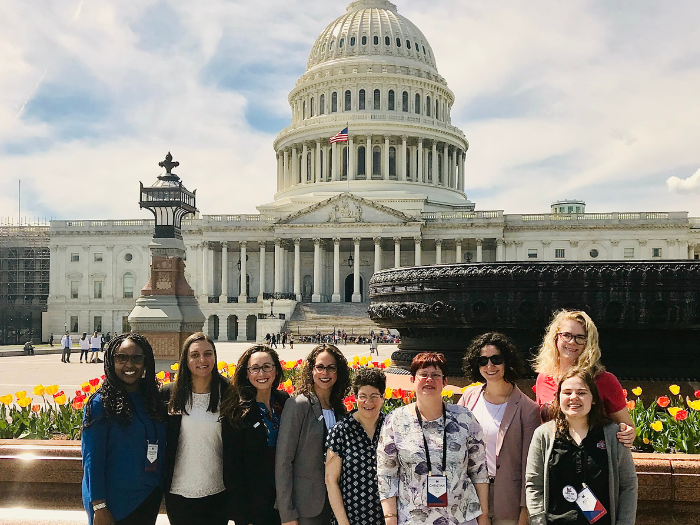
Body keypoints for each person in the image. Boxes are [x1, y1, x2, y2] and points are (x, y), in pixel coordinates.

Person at [377, 352, 490, 525]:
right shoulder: (395, 420)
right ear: (413, 380)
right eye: (423, 374)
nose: (429, 379)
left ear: (445, 382)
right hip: (413, 518)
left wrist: (483, 517)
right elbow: (386, 474)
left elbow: (479, 472)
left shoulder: (464, 418)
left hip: (460, 517)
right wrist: (390, 518)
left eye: (436, 375)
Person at [525, 367, 638, 525]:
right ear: (558, 398)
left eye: (581, 392)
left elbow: (628, 486)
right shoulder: (543, 435)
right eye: (567, 392)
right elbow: (534, 484)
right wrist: (538, 521)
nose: (573, 398)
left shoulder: (613, 435)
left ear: (593, 399)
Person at [81, 333, 167, 525]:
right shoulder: (100, 404)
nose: (130, 365)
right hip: (114, 504)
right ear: (111, 362)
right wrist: (99, 506)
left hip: (148, 496)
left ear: (146, 362)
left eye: (137, 358)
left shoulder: (151, 399)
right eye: (121, 358)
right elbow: (92, 460)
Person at [458, 332, 541, 525]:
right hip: (470, 494)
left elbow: (530, 467)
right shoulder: (470, 397)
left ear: (507, 362)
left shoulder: (527, 409)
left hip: (507, 501)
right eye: (483, 360)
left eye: (496, 359)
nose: (489, 366)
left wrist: (524, 512)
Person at [533, 310, 635, 446]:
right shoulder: (543, 379)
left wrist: (628, 433)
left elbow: (627, 427)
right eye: (566, 335)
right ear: (555, 338)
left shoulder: (605, 381)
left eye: (580, 337)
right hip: (554, 458)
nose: (572, 342)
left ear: (588, 343)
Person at [276, 344, 351, 525]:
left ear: (338, 372)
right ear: (311, 370)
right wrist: (287, 513)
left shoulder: (340, 410)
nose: (325, 373)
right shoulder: (298, 405)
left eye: (331, 368)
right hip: (306, 507)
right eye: (320, 367)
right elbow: (283, 461)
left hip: (336, 504)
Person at [160, 333, 229, 525]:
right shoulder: (169, 394)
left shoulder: (228, 393)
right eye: (195, 354)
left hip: (218, 490)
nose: (202, 360)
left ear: (215, 357)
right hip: (178, 490)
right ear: (186, 359)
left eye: (208, 354)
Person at [221, 345, 289, 525]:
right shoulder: (236, 411)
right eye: (255, 368)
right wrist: (242, 516)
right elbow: (232, 468)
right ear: (246, 373)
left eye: (267, 367)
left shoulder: (284, 401)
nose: (261, 373)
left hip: (284, 497)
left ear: (276, 369)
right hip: (254, 502)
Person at [325, 367, 387, 525]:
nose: (368, 402)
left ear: (383, 397)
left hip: (386, 519)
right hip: (350, 518)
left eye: (374, 396)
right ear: (355, 398)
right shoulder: (340, 431)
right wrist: (343, 522)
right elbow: (331, 479)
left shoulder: (391, 428)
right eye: (363, 396)